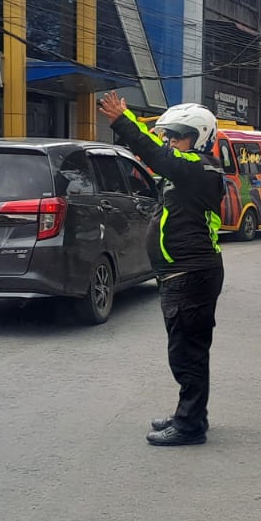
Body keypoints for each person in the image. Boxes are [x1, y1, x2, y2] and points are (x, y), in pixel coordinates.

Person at [99, 93, 225, 447]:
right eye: (167, 135)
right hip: (184, 274)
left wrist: (124, 121)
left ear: (198, 136)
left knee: (187, 353)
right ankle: (192, 414)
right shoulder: (186, 168)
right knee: (187, 350)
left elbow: (155, 153)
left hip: (191, 274)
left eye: (176, 135)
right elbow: (158, 152)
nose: (169, 141)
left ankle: (190, 426)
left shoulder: (198, 168)